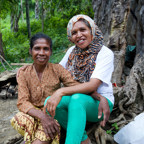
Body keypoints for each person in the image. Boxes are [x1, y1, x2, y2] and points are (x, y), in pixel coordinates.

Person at [44, 14, 114, 144]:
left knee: (77, 99)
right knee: (50, 102)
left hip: (100, 103)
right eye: (74, 32)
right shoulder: (72, 52)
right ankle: (83, 140)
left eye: (83, 30)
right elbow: (56, 71)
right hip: (77, 98)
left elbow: (92, 85)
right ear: (71, 37)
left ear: (92, 30)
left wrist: (60, 91)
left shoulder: (104, 53)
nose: (79, 35)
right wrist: (28, 70)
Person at [10, 33, 82, 144]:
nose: (42, 53)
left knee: (39, 141)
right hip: (33, 115)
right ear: (30, 51)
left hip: (52, 116)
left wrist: (96, 93)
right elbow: (22, 101)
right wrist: (42, 117)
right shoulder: (24, 73)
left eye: (46, 49)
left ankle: (32, 139)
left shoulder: (57, 69)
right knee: (18, 118)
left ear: (51, 51)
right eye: (37, 48)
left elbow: (75, 86)